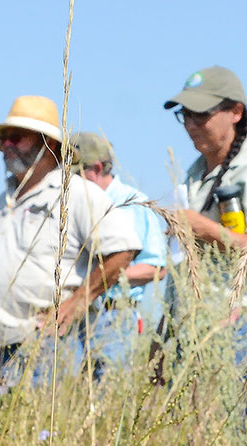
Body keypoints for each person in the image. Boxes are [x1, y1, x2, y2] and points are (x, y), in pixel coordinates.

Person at [0, 96, 144, 389]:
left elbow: (123, 250)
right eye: (5, 139)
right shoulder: (4, 200)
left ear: (50, 144)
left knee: (39, 429)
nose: (7, 145)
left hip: (42, 343)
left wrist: (78, 301)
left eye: (17, 138)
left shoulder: (78, 193)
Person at [162, 65, 247, 407]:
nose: (191, 124)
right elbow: (180, 266)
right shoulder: (191, 177)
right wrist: (164, 337)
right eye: (185, 115)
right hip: (194, 328)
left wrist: (203, 228)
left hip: (245, 327)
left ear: (236, 112)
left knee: (239, 443)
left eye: (201, 114)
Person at [65, 131, 168, 378]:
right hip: (75, 315)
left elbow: (157, 268)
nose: (70, 180)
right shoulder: (74, 204)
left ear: (98, 168)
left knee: (106, 390)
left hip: (114, 316)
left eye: (76, 172)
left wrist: (105, 275)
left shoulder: (133, 203)